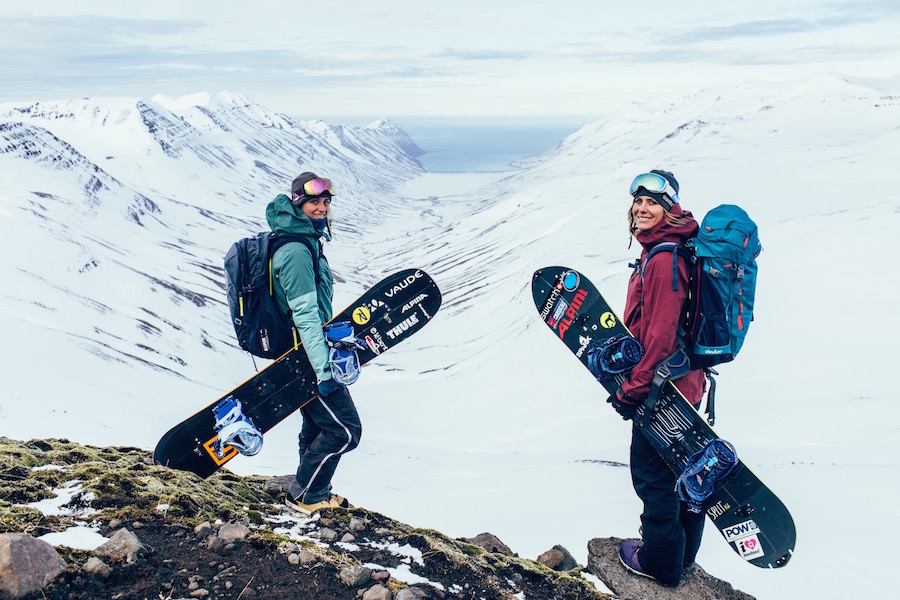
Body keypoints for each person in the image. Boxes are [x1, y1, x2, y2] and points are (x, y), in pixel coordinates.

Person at [606, 169, 706, 588]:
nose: (643, 208)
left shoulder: (665, 257)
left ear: (669, 208)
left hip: (663, 387)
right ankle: (680, 555)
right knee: (679, 470)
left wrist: (635, 387)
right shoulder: (669, 248)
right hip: (683, 383)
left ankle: (661, 563)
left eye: (653, 202)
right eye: (639, 201)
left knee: (651, 473)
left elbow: (662, 335)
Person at [267, 171, 362, 515]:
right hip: (304, 356)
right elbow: (305, 315)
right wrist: (324, 370)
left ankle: (314, 490)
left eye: (325, 201)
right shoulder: (295, 250)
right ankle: (305, 497)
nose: (322, 207)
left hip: (305, 351)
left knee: (318, 425)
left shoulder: (305, 239)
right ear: (298, 203)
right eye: (314, 202)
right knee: (346, 431)